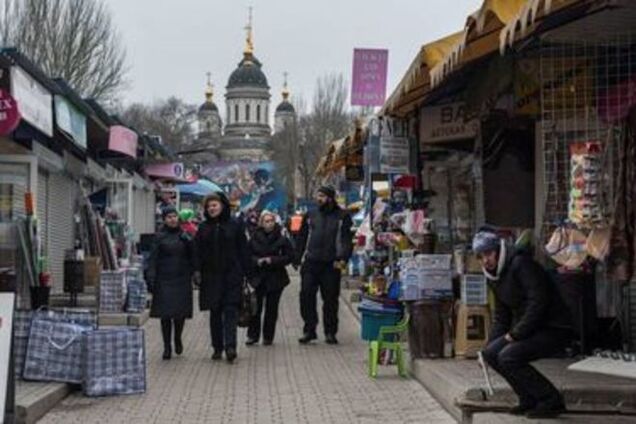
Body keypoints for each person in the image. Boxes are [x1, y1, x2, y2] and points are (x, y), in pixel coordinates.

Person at [473, 228, 572, 419]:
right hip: (529, 329)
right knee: (491, 354)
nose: (485, 260)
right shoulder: (494, 276)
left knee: (509, 356)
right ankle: (528, 398)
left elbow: (538, 303)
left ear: (498, 250)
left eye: (488, 253)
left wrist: (515, 334)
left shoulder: (521, 264)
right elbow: (502, 317)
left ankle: (551, 400)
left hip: (553, 327)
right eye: (480, 256)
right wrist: (486, 350)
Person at [295, 186, 353, 345]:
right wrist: (297, 257)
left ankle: (330, 332)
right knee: (306, 296)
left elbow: (347, 240)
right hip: (311, 262)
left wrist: (343, 258)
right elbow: (302, 237)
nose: (318, 199)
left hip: (331, 263)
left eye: (321, 196)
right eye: (317, 195)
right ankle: (309, 330)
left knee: (330, 300)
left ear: (330, 197)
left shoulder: (342, 216)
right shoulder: (310, 215)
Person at [194, 192, 247, 363]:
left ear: (222, 206)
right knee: (215, 312)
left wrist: (247, 273)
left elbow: (243, 250)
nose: (211, 209)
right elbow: (197, 252)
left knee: (231, 310)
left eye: (214, 205)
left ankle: (230, 346)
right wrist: (196, 271)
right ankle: (217, 347)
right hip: (211, 277)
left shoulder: (235, 225)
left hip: (232, 275)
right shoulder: (203, 228)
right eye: (209, 206)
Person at [147, 206, 194, 360]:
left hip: (181, 278)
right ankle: (167, 346)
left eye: (175, 216)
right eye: (169, 217)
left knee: (179, 314)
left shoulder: (184, 235)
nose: (173, 219)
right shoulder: (159, 237)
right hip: (164, 279)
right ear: (164, 219)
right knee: (165, 315)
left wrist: (189, 242)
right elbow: (152, 259)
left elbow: (194, 256)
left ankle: (177, 339)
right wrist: (151, 278)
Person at [246, 210, 294, 346]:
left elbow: (290, 256)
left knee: (271, 309)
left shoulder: (282, 238)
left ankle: (268, 336)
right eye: (266, 221)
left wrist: (273, 260)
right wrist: (257, 261)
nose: (269, 224)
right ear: (261, 222)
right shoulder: (254, 237)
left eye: (271, 221)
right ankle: (253, 336)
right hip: (258, 278)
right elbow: (247, 255)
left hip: (276, 278)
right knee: (255, 308)